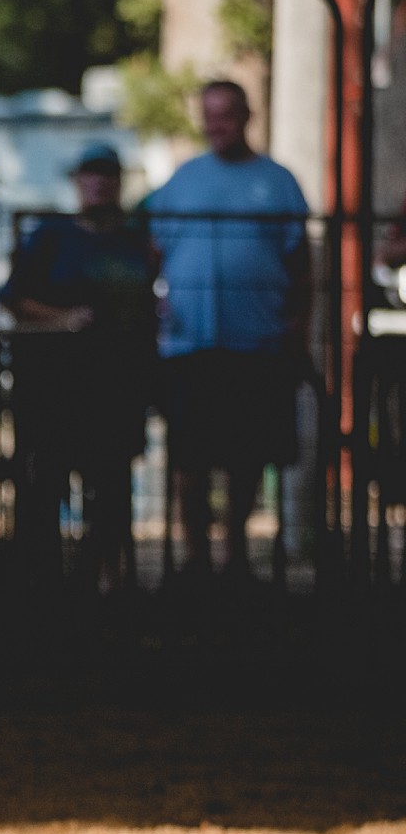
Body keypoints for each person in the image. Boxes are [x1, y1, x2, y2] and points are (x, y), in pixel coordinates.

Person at [145, 81, 310, 582]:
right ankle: (194, 556)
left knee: (246, 457)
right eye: (210, 115)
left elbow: (300, 264)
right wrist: (154, 305)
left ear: (247, 116)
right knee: (190, 460)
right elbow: (150, 250)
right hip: (191, 343)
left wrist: (296, 327)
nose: (218, 125)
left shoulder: (278, 181)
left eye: (227, 115)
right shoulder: (182, 181)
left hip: (256, 342)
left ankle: (235, 556)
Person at [4, 142, 160, 593]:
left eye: (107, 175)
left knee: (110, 490)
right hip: (57, 386)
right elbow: (14, 298)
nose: (98, 183)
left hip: (117, 386)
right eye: (90, 174)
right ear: (76, 182)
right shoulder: (51, 235)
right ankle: (46, 582)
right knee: (48, 484)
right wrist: (62, 320)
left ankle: (103, 577)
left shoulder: (134, 239)